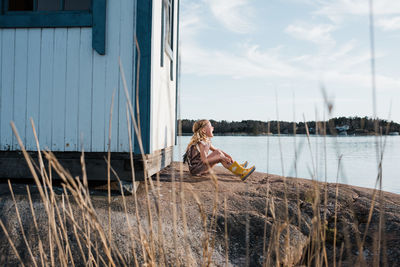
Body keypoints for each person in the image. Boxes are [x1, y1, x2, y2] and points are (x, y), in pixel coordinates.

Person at [183, 119, 256, 181]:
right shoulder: (202, 143)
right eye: (210, 126)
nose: (213, 128)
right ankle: (241, 172)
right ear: (204, 130)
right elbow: (204, 160)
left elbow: (216, 150)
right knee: (220, 157)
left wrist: (228, 156)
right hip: (197, 170)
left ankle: (236, 166)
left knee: (218, 152)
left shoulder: (205, 141)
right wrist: (222, 157)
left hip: (197, 168)